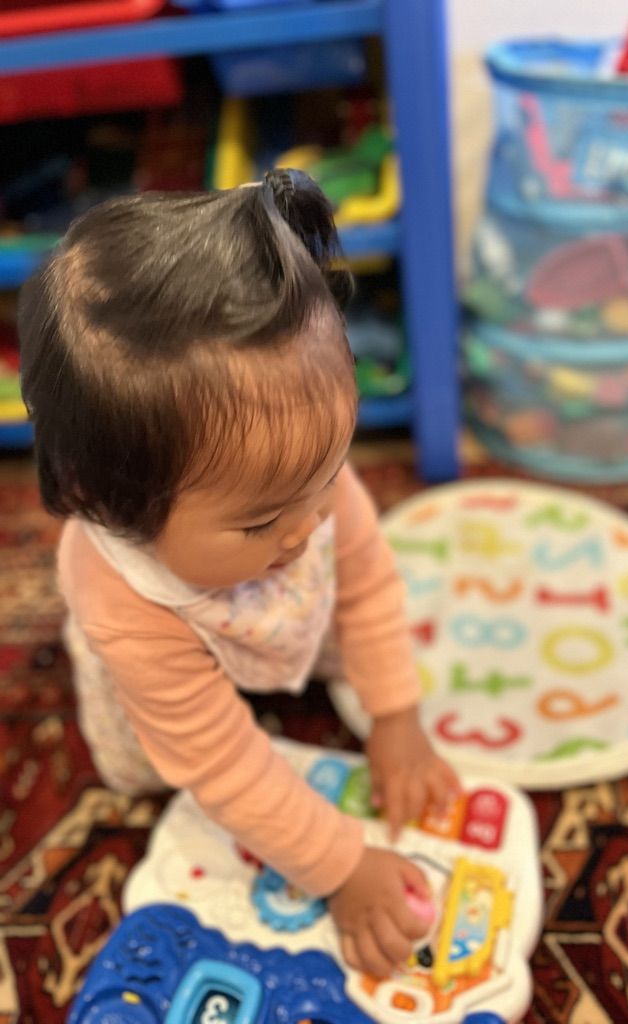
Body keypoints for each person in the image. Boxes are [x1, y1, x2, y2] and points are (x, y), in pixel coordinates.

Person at [18, 169, 459, 979]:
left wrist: (396, 713)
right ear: (111, 507)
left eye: (331, 472)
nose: (310, 524)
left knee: (339, 612)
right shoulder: (129, 599)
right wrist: (342, 866)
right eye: (262, 520)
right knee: (148, 772)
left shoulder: (298, 472)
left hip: (274, 616)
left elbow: (362, 576)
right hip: (169, 660)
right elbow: (222, 765)